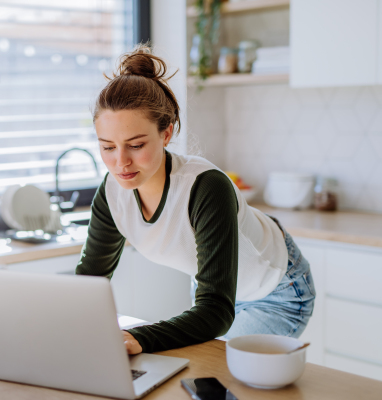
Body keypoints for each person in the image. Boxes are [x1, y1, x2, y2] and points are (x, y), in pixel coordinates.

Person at [75, 45, 316, 355]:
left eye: (135, 145)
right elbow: (90, 280)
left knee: (223, 374)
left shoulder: (206, 187)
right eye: (108, 147)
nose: (121, 162)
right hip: (213, 293)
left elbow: (216, 311)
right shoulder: (112, 194)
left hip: (275, 290)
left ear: (166, 134)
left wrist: (141, 338)